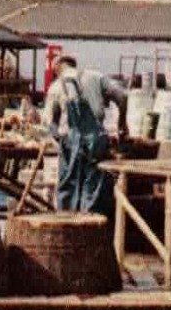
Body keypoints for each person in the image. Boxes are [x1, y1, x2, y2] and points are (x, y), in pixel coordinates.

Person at [44, 54, 128, 215]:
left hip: (70, 142)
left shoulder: (55, 87)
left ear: (57, 69)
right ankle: (89, 229)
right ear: (74, 64)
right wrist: (121, 123)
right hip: (95, 142)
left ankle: (67, 227)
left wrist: (61, 141)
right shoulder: (96, 76)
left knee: (68, 189)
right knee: (93, 190)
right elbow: (122, 96)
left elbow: (50, 124)